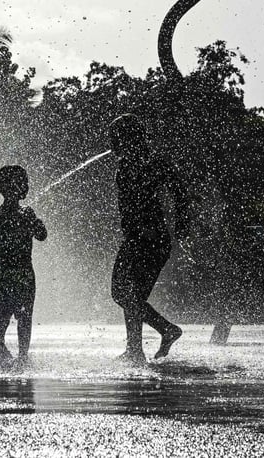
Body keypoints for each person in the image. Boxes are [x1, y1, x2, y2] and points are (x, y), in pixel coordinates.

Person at [109, 114, 189, 363]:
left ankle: (166, 330)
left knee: (122, 293)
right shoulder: (142, 163)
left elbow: (179, 193)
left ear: (128, 138)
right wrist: (180, 227)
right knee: (131, 295)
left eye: (116, 138)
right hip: (143, 238)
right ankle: (135, 348)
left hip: (147, 238)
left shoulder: (146, 164)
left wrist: (180, 226)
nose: (112, 144)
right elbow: (179, 193)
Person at [0, 165, 47, 361]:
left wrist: (38, 225)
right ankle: (0, 343)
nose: (26, 186)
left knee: (25, 312)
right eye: (23, 182)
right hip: (6, 268)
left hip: (24, 268)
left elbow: (42, 236)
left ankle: (23, 354)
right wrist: (11, 228)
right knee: (4, 308)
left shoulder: (28, 213)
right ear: (8, 187)